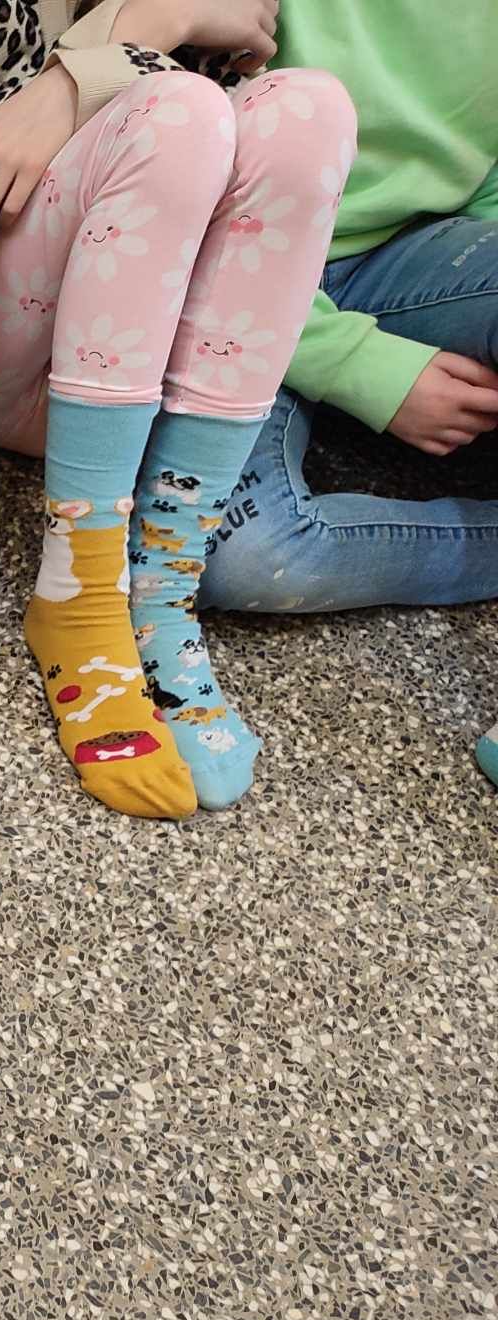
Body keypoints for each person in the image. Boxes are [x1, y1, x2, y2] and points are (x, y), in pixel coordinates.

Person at [0, 0, 355, 816]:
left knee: (312, 111)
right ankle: (78, 596)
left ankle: (160, 587)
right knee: (178, 112)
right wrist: (135, 33)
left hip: (133, 384)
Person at [154, 2, 491, 775]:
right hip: (229, 256)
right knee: (242, 555)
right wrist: (355, 364)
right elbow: (161, 185)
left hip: (411, 257)